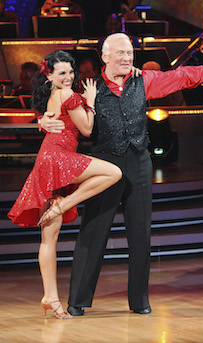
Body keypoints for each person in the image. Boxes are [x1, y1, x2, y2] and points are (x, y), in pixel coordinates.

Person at [39, 33, 203, 316]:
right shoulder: (88, 86)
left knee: (140, 234)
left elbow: (181, 76)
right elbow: (58, 105)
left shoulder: (143, 80)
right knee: (93, 231)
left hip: (138, 162)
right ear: (105, 57)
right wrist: (43, 120)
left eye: (130, 53)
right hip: (104, 164)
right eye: (121, 53)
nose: (127, 58)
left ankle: (139, 300)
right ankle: (78, 301)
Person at [7, 50, 122, 319]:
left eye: (71, 71)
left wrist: (42, 121)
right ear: (49, 75)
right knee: (113, 173)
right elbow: (87, 130)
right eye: (62, 73)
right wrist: (90, 102)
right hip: (59, 158)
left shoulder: (52, 94)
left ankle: (50, 297)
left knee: (49, 236)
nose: (69, 76)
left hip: (48, 158)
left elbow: (48, 120)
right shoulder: (68, 95)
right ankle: (65, 206)